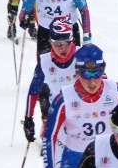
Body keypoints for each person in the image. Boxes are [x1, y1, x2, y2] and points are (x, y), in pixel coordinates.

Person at [21, 16, 78, 160]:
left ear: (73, 40)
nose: (62, 48)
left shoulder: (82, 57)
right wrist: (28, 119)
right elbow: (33, 91)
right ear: (50, 42)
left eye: (66, 42)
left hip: (80, 114)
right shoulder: (45, 62)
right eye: (57, 43)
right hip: (57, 114)